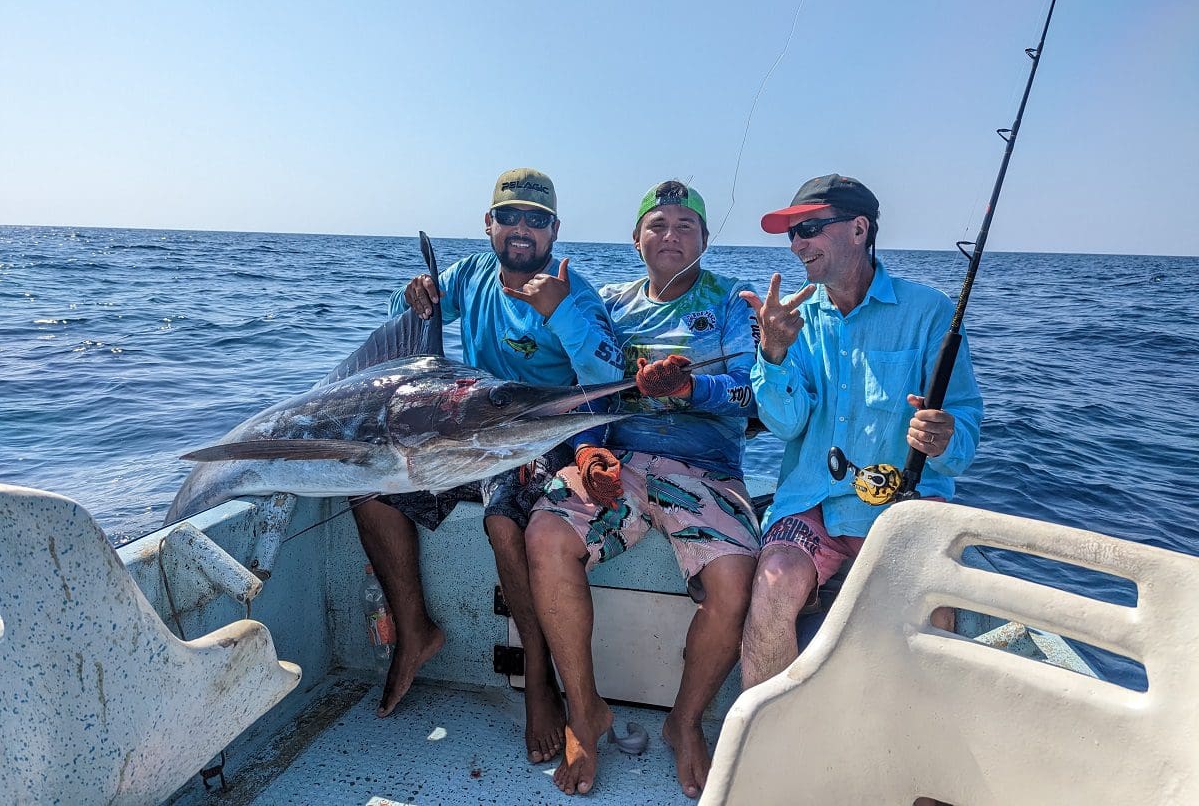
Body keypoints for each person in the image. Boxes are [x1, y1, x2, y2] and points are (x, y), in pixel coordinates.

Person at [352, 167, 625, 767]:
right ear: (489, 224)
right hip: (465, 430)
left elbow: (609, 379)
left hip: (535, 435)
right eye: (509, 216)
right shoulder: (471, 274)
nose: (521, 229)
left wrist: (561, 314)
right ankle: (415, 629)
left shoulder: (573, 289)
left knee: (504, 522)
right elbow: (419, 306)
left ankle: (538, 676)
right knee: (370, 486)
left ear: (555, 229)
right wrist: (412, 291)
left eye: (535, 219)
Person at [526, 180, 760, 799]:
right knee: (546, 532)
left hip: (705, 469)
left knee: (735, 580)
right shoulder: (608, 301)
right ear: (636, 240)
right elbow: (593, 383)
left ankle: (684, 725)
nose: (671, 236)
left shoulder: (732, 304)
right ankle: (585, 711)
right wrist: (589, 448)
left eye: (686, 225)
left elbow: (750, 391)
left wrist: (689, 391)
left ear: (705, 241)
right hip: (622, 463)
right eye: (657, 225)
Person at [737, 173, 984, 692]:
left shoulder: (931, 311)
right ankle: (767, 749)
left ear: (858, 229)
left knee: (933, 610)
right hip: (813, 504)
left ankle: (911, 747)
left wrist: (942, 439)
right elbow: (787, 424)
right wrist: (774, 354)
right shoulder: (794, 319)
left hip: (905, 508)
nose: (799, 243)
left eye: (810, 228)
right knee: (772, 587)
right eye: (792, 233)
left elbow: (962, 433)